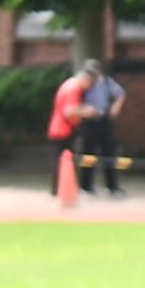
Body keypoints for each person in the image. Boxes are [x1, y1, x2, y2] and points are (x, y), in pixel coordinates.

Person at [57, 55, 127, 195]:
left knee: (109, 151)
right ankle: (86, 187)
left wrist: (116, 106)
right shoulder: (84, 84)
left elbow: (120, 93)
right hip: (88, 121)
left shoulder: (107, 82)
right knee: (88, 153)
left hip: (103, 119)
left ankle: (112, 186)